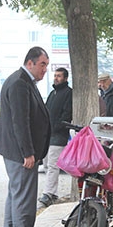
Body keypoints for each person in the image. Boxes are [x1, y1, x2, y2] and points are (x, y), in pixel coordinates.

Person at [0, 47, 53, 227]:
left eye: (46, 65)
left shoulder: (23, 81)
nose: (45, 70)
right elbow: (20, 121)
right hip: (20, 152)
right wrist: (28, 152)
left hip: (15, 150)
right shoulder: (19, 83)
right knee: (24, 199)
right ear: (30, 63)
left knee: (15, 196)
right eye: (42, 64)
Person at [39, 67, 72, 208]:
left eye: (59, 76)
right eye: (55, 75)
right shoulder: (53, 93)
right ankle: (51, 192)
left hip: (59, 135)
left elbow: (67, 114)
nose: (56, 78)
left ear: (65, 78)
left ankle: (49, 193)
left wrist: (56, 127)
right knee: (46, 164)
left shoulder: (68, 93)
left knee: (53, 165)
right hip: (48, 135)